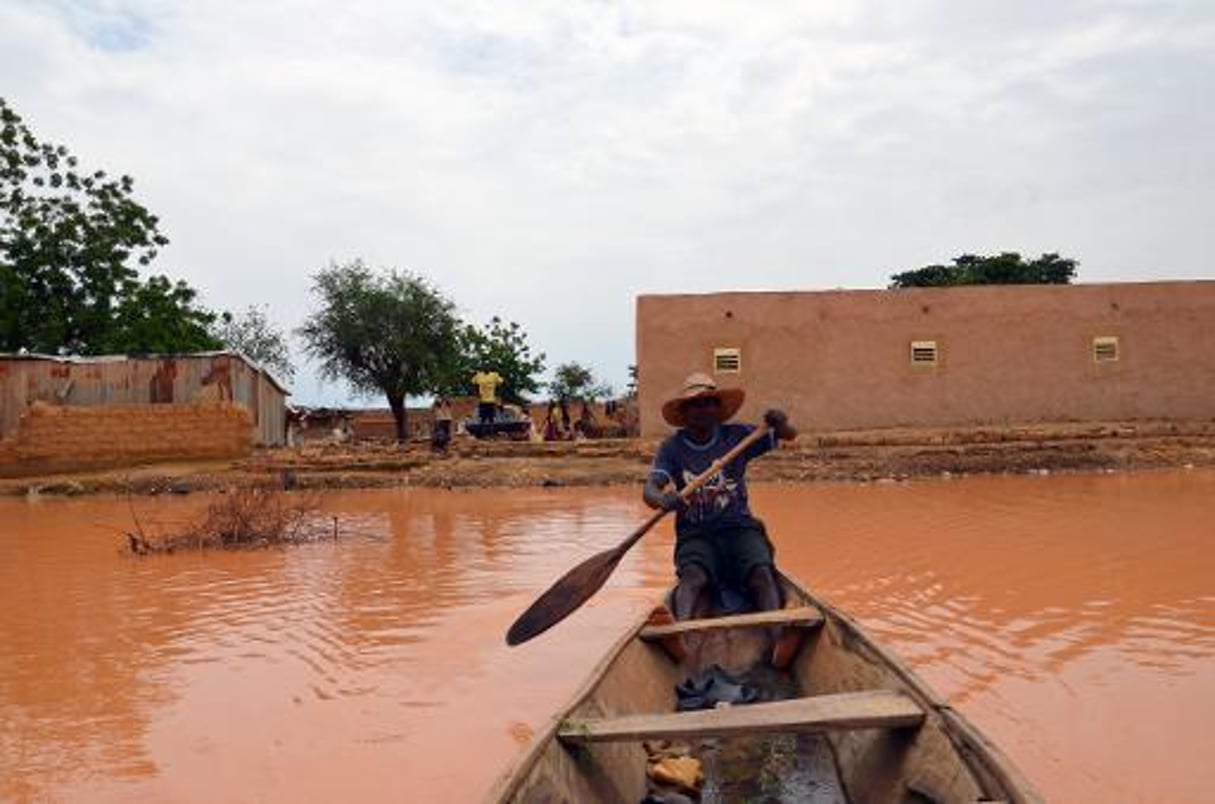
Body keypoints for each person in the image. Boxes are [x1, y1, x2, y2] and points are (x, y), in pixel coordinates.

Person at [642, 372, 799, 668]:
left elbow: (790, 434)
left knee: (762, 573)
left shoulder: (737, 436)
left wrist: (779, 422)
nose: (703, 410)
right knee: (692, 579)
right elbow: (650, 489)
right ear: (685, 413)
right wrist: (662, 499)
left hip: (739, 528)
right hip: (696, 534)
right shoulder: (672, 448)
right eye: (695, 405)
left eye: (710, 403)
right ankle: (681, 640)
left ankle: (778, 639)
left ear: (718, 409)